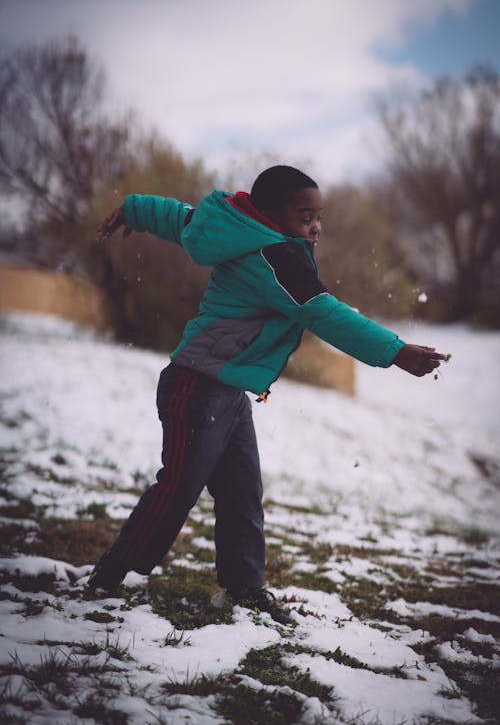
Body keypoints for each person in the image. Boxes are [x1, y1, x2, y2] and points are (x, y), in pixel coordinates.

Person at [88, 165, 445, 624]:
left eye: (319, 216)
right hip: (196, 386)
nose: (315, 227)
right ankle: (112, 577)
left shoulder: (240, 229)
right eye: (304, 217)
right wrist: (394, 352)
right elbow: (326, 314)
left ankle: (243, 588)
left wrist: (135, 210)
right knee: (177, 489)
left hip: (227, 390)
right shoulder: (276, 257)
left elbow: (185, 220)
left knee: (242, 492)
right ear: (271, 215)